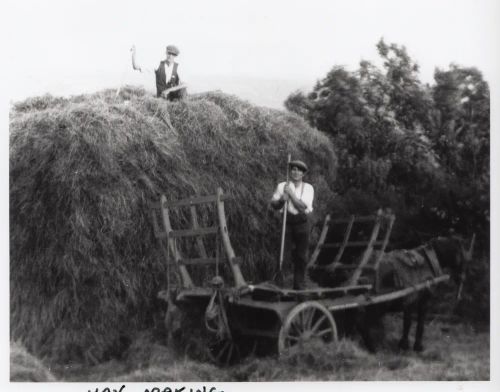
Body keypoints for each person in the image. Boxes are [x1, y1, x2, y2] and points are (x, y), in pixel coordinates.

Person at [270, 160, 314, 290]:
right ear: (290, 171)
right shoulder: (282, 185)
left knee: (301, 256)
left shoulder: (308, 188)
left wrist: (291, 194)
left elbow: (302, 207)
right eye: (293, 169)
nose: (296, 172)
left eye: (299, 170)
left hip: (302, 223)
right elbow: (274, 204)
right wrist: (281, 200)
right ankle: (280, 284)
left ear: (303, 174)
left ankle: (299, 285)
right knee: (283, 253)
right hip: (286, 222)